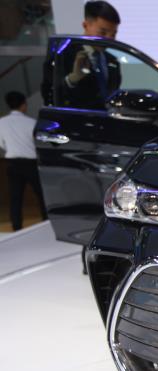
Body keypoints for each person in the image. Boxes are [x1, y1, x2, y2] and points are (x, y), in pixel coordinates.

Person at [41, 1, 121, 109]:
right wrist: (73, 78)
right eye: (102, 33)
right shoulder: (62, 55)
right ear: (85, 25)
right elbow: (49, 96)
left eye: (113, 34)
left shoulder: (112, 61)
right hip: (74, 118)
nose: (108, 39)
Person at [0, 92, 48, 231]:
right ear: (23, 105)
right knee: (41, 196)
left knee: (15, 198)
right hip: (31, 164)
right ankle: (46, 222)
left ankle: (17, 227)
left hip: (13, 163)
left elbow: (1, 144)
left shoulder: (1, 122)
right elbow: (38, 143)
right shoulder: (31, 122)